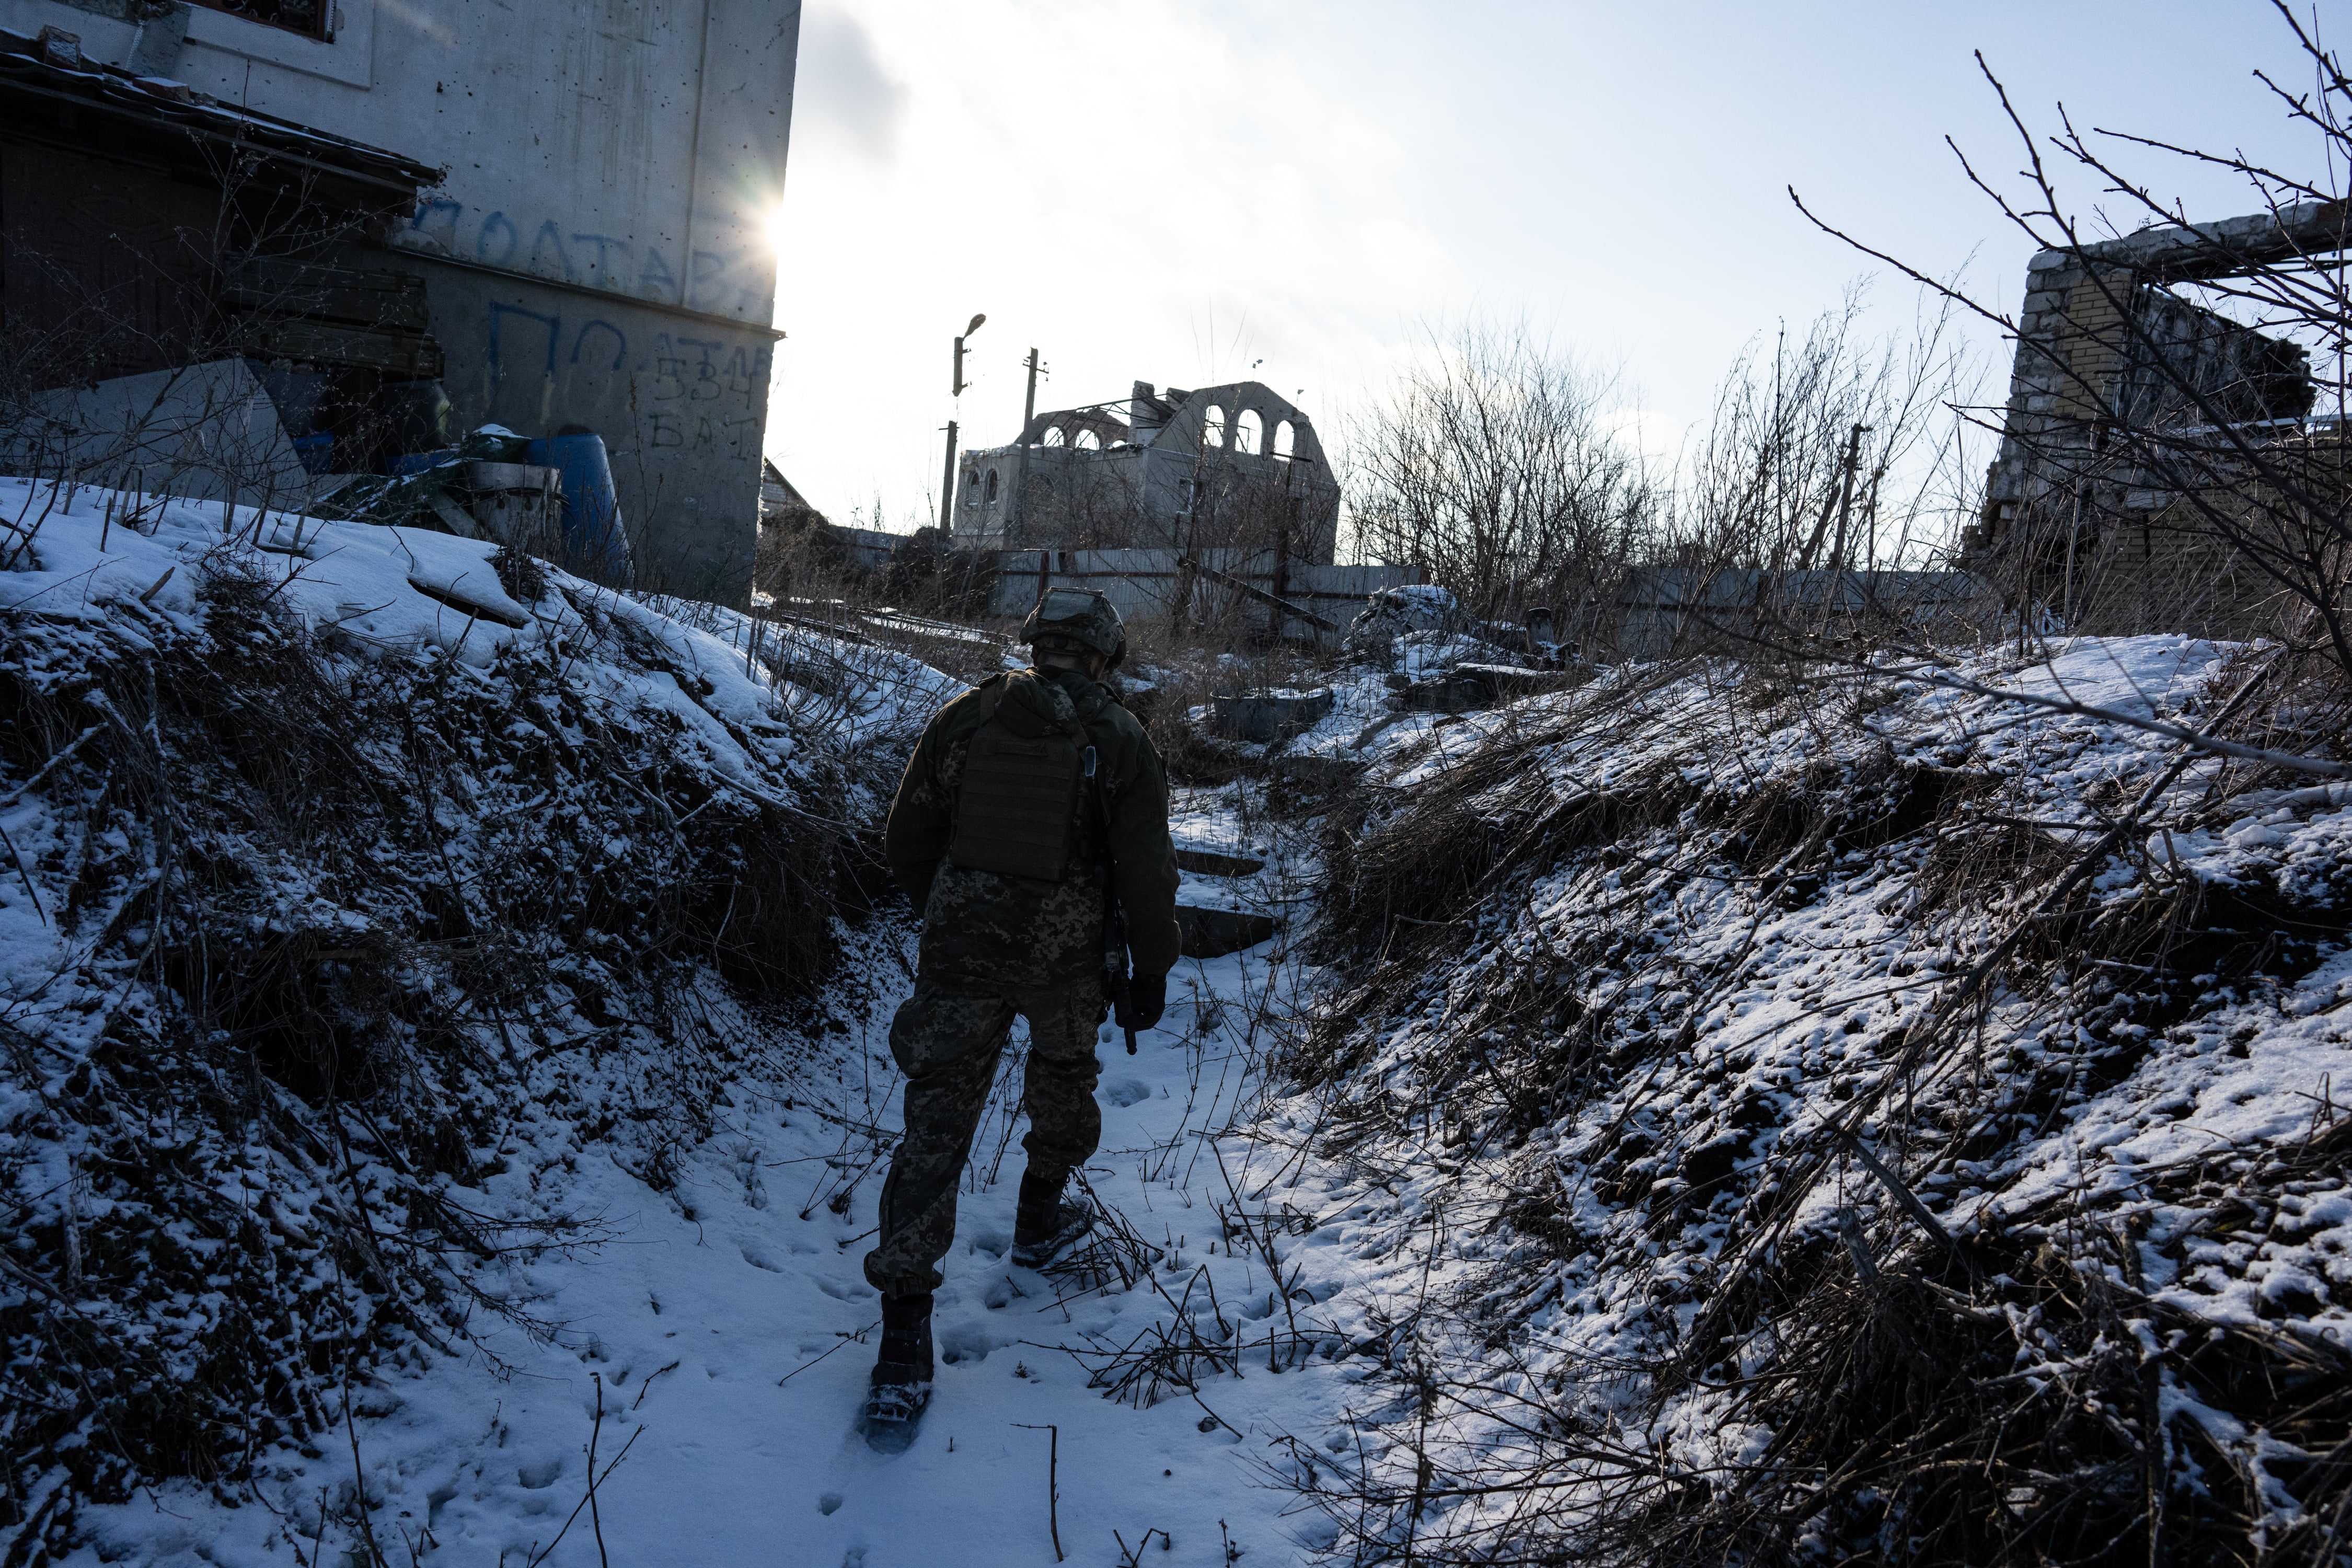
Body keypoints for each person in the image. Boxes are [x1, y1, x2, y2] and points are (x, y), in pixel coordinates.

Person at [861, 587, 1181, 1434]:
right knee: (1065, 1079)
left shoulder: (966, 717)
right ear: (1105, 654)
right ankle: (1040, 1219)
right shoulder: (1118, 737)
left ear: (1037, 643)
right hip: (1067, 962)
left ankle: (902, 1339)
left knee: (936, 1124)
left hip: (961, 951)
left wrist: (953, 910)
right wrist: (1151, 971)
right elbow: (1146, 875)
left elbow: (905, 838)